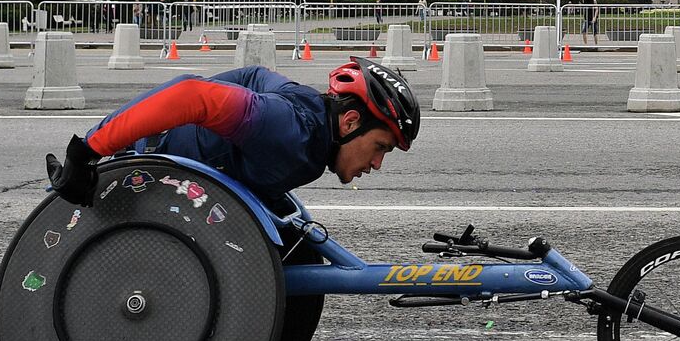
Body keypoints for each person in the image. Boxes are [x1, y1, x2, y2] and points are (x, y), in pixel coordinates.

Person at [46, 56, 422, 207]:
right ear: (351, 122)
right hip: (145, 175)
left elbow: (254, 75)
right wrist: (88, 149)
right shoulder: (289, 130)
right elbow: (191, 95)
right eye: (381, 147)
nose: (376, 163)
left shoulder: (307, 108)